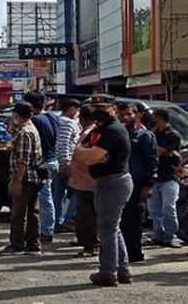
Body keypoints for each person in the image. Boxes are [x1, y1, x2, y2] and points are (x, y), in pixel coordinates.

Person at [73, 94, 133, 287]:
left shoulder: (114, 130)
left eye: (104, 108)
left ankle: (108, 273)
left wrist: (86, 153)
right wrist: (85, 152)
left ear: (114, 109)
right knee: (113, 229)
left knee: (107, 229)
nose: (98, 111)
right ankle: (123, 271)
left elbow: (90, 156)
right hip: (106, 181)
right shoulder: (100, 129)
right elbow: (82, 150)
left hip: (114, 181)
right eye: (95, 107)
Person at [0, 102, 44, 255]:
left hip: (25, 179)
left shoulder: (24, 132)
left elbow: (23, 160)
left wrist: (17, 181)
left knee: (18, 213)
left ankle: (17, 244)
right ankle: (32, 244)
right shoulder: (29, 129)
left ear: (17, 115)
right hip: (33, 178)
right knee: (31, 213)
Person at [119, 103, 158, 263]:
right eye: (122, 114)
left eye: (129, 114)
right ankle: (120, 253)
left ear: (137, 115)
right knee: (119, 221)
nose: (125, 118)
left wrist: (148, 185)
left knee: (135, 221)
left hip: (137, 184)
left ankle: (134, 253)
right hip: (119, 183)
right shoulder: (118, 134)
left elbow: (152, 162)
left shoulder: (145, 136)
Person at [24, 90, 60, 243]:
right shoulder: (53, 117)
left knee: (45, 198)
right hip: (53, 160)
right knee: (47, 196)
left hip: (43, 163)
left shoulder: (36, 120)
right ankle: (46, 229)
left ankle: (46, 232)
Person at [149, 108, 183, 248]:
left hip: (170, 176)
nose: (152, 119)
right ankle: (158, 235)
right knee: (154, 210)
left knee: (168, 208)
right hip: (154, 176)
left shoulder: (173, 135)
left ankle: (171, 236)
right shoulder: (153, 133)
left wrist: (159, 151)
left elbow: (156, 151)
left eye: (154, 116)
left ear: (160, 117)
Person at [69, 105, 99, 257]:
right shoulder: (88, 132)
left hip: (88, 181)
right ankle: (86, 241)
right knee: (84, 214)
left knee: (88, 215)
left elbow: (87, 155)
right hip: (83, 180)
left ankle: (91, 244)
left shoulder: (91, 133)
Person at [54, 98, 81, 231]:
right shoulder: (68, 123)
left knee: (57, 194)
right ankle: (67, 219)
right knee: (76, 191)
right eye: (77, 110)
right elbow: (63, 143)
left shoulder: (56, 121)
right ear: (71, 109)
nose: (77, 113)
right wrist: (65, 162)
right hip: (66, 164)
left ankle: (57, 221)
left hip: (58, 162)